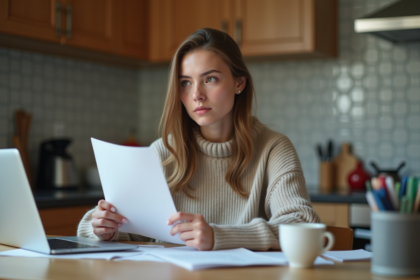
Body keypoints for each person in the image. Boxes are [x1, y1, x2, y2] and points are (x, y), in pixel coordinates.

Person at [77, 28, 320, 251]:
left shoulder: (274, 149)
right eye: (186, 83)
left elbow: (302, 224)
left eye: (210, 79)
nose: (196, 95)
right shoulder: (163, 152)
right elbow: (126, 227)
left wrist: (219, 236)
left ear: (239, 83)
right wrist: (102, 227)